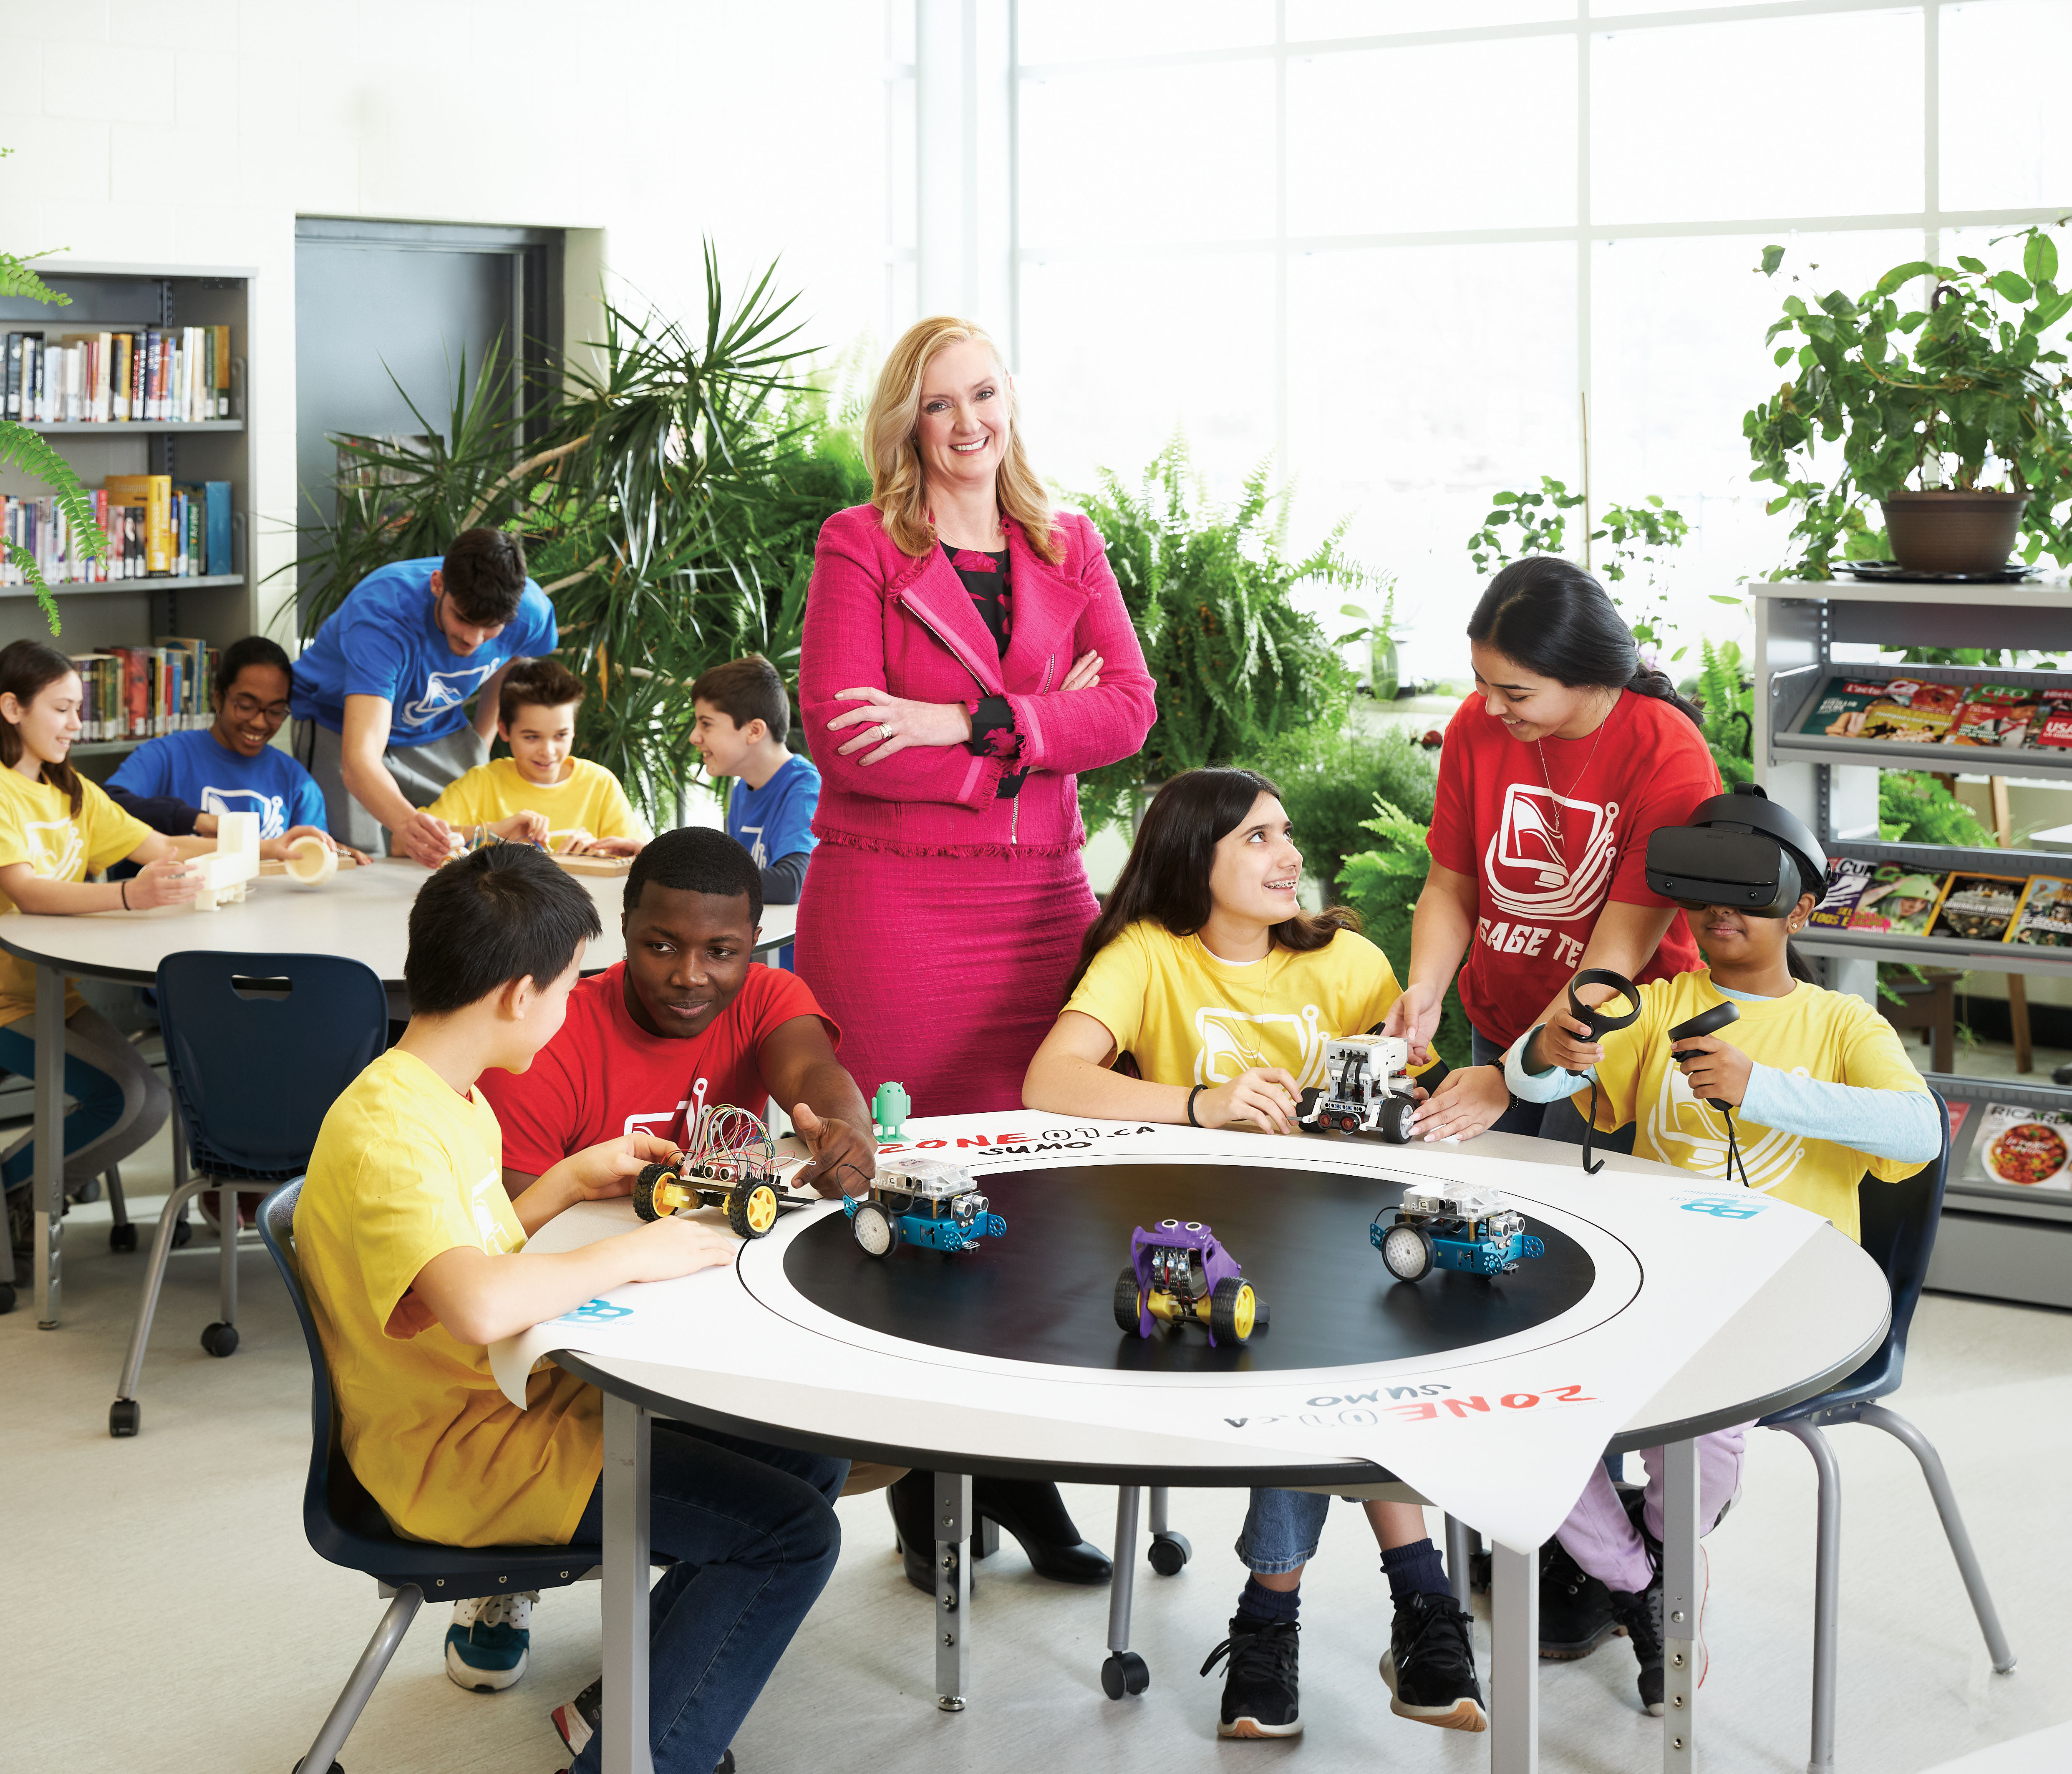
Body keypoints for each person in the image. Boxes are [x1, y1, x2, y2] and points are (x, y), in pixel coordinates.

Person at [291, 846, 844, 1774]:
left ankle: (624, 1704)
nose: (573, 1001)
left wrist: (560, 1184)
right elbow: (471, 1301)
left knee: (806, 1446)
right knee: (792, 1538)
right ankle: (637, 1755)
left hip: (506, 1401)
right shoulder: (389, 1131)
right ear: (518, 993)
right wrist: (633, 1251)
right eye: (567, 984)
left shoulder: (442, 1094)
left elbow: (461, 1245)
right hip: (460, 1449)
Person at [797, 315, 1156, 1597]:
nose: (966, 422)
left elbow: (1128, 710)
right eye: (938, 403)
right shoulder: (858, 546)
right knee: (906, 1188)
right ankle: (922, 1476)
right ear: (904, 422)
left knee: (1035, 1189)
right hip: (891, 906)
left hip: (1037, 906)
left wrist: (971, 721)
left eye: (984, 394)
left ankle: (1016, 1465)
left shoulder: (1067, 543)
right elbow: (844, 741)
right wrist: (1017, 766)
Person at [1023, 767, 1495, 1740]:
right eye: (1258, 838)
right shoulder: (1149, 955)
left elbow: (1424, 1106)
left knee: (1345, 1341)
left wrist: (1449, 1083)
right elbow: (1050, 1078)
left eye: (1287, 835)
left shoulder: (1351, 962)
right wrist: (1204, 1102)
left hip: (1336, 1248)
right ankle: (1419, 1602)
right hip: (1194, 1262)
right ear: (1194, 854)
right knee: (1328, 1353)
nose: (1289, 856)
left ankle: (1269, 1620)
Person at [1502, 785, 1939, 1713]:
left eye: (1743, 893)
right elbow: (1531, 1077)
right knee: (1515, 1402)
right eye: (1701, 895)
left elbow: (1916, 1132)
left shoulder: (1839, 1025)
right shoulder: (1655, 1007)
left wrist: (1761, 1086)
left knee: (1697, 1422)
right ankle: (1644, 1581)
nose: (1718, 914)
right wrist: (1546, 1045)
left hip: (1782, 1295)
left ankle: (1654, 1560)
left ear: (1801, 907)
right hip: (1649, 1279)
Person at [449, 828, 877, 1693]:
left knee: (814, 1455)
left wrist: (847, 1130)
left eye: (721, 949)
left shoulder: (766, 993)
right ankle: (511, 1576)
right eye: (661, 945)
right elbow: (518, 1240)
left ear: (753, 943)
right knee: (778, 1505)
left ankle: (650, 1676)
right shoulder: (552, 1036)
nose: (691, 973)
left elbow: (814, 1072)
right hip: (566, 1330)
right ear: (623, 928)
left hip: (694, 1296)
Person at [1383, 556, 1723, 1143]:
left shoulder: (1669, 754)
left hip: (1611, 1040)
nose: (1491, 707)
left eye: (1514, 692)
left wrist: (1508, 1074)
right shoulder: (1477, 726)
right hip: (1502, 1016)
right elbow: (1450, 883)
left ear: (1588, 675)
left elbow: (1617, 957)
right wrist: (1426, 988)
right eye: (1480, 682)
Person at [0, 640, 239, 1199]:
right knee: (125, 1101)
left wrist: (271, 850)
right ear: (11, 708)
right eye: (62, 708)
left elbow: (164, 846)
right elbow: (26, 892)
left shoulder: (70, 790)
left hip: (55, 997)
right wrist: (127, 896)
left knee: (149, 1102)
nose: (77, 723)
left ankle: (16, 1202)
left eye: (79, 708)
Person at [287, 527, 555, 863]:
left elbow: (513, 661)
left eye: (491, 627)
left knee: (467, 846)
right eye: (463, 618)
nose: (474, 639)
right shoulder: (383, 614)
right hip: (337, 721)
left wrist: (480, 744)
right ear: (437, 584)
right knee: (358, 861)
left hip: (435, 723)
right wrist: (406, 824)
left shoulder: (530, 612)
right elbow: (359, 762)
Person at [103, 635, 345, 854]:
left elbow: (310, 854)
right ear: (219, 698)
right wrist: (196, 819)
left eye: (275, 711)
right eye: (247, 707)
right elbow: (106, 805)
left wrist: (336, 854)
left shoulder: (297, 783)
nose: (260, 723)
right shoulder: (165, 756)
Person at [426, 658, 645, 858]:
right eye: (532, 737)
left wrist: (605, 854)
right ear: (504, 729)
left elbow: (640, 860)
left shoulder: (601, 784)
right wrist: (494, 833)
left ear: (574, 729)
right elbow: (402, 843)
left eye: (561, 735)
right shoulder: (481, 782)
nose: (548, 751)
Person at [690, 654, 820, 907]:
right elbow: (734, 870)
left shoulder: (805, 787)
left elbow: (791, 882)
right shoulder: (743, 789)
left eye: (706, 724)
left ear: (754, 731)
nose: (695, 737)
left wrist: (693, 879)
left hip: (788, 946)